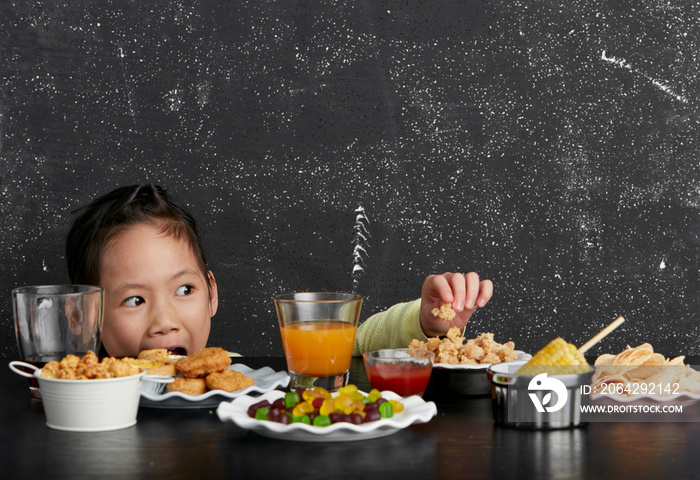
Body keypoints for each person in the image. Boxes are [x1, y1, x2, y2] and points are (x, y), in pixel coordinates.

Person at [66, 184, 492, 357]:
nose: (164, 323)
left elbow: (351, 349)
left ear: (212, 293)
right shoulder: (74, 400)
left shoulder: (243, 380)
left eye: (184, 291)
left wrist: (426, 323)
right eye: (135, 299)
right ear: (84, 316)